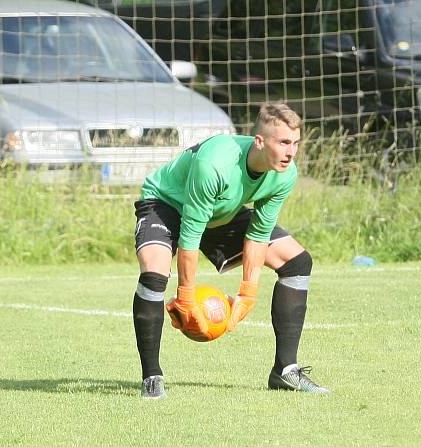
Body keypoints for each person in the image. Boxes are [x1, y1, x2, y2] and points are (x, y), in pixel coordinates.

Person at [131, 102, 329, 399]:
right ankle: (152, 377)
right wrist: (186, 296)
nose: (291, 152)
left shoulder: (284, 174)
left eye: (296, 143)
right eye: (284, 143)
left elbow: (259, 234)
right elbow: (190, 237)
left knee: (297, 261)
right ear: (260, 142)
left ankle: (285, 372)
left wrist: (248, 294)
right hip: (167, 203)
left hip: (221, 211)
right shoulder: (216, 164)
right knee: (154, 271)